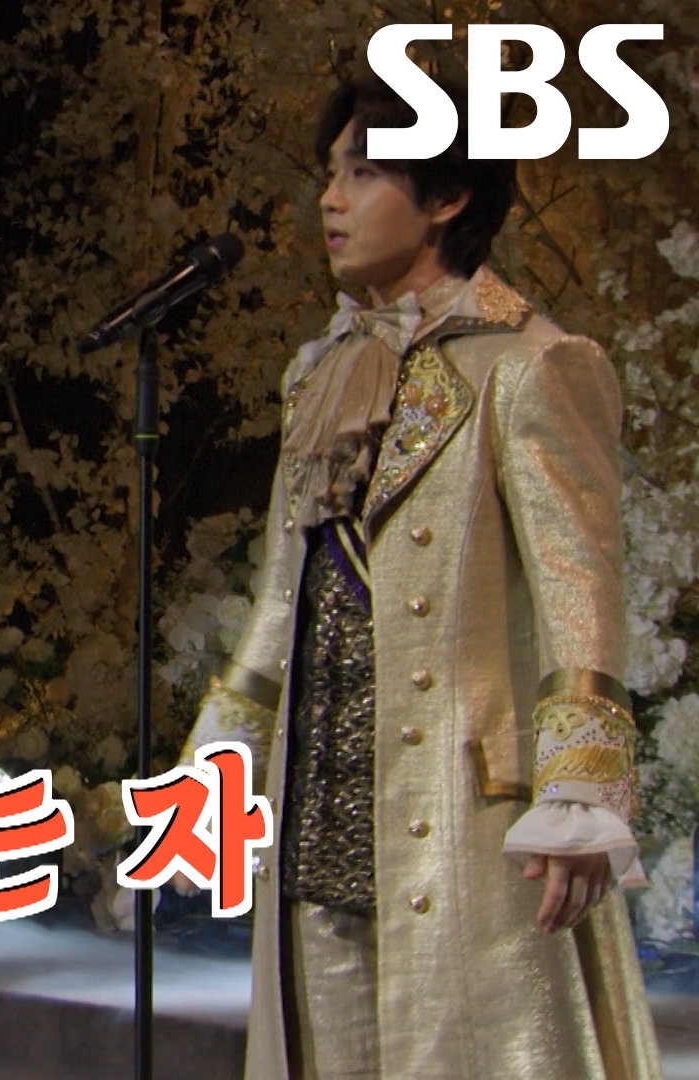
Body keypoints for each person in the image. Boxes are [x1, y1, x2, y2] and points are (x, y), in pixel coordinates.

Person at [174, 74, 661, 1078]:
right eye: (330, 174)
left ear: (447, 197)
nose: (331, 199)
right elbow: (284, 592)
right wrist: (219, 756)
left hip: (454, 811)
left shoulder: (530, 363)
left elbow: (580, 592)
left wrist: (582, 791)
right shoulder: (320, 372)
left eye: (364, 173)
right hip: (318, 805)